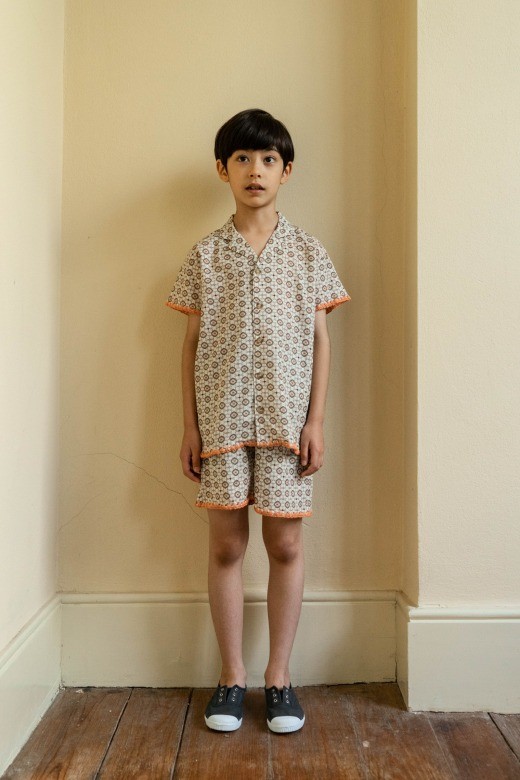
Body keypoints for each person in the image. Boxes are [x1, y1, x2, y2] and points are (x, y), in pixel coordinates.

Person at [165, 108, 351, 734]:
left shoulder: (308, 252)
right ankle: (231, 676)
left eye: (268, 159)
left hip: (286, 425)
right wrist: (190, 427)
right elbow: (190, 346)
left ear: (285, 171)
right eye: (242, 158)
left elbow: (321, 341)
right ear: (223, 169)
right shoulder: (204, 255)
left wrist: (315, 422)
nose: (255, 170)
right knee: (225, 546)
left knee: (286, 545)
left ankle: (279, 677)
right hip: (220, 425)